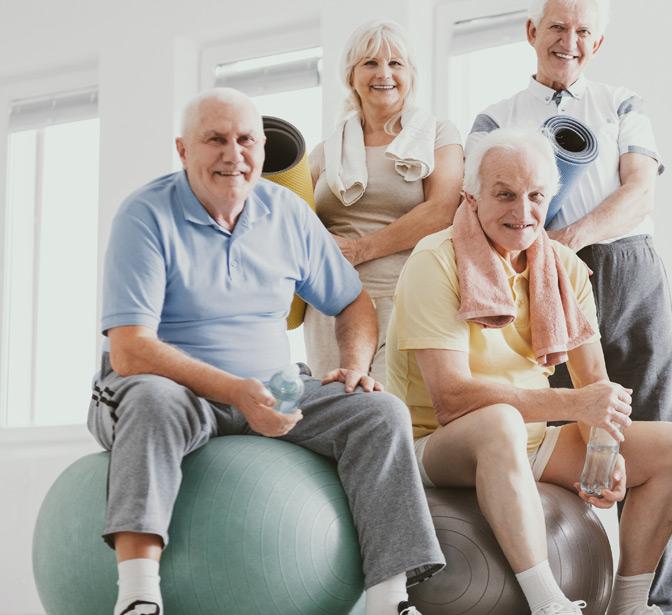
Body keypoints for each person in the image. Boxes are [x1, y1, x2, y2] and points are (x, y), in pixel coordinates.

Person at [88, 88, 442, 615]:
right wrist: (234, 391)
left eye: (246, 140)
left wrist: (352, 366)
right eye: (216, 140)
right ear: (184, 150)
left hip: (273, 387)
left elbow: (353, 304)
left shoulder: (287, 215)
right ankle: (138, 595)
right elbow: (132, 351)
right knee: (152, 400)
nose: (235, 155)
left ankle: (389, 599)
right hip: (170, 389)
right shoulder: (145, 214)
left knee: (380, 412)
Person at [386, 128, 672, 615]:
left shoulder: (564, 268)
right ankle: (549, 603)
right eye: (504, 194)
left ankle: (630, 606)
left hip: (527, 443)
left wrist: (604, 450)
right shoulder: (434, 261)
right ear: (471, 196)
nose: (522, 212)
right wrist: (573, 406)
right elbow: (450, 398)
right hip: (435, 445)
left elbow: (594, 383)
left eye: (535, 196)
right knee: (499, 421)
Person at [465, 1, 672, 610]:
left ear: (599, 42)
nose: (569, 40)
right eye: (557, 27)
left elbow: (639, 189)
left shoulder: (622, 103)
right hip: (538, 283)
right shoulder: (495, 117)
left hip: (628, 269)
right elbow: (475, 205)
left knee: (654, 433)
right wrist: (545, 262)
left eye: (583, 31)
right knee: (563, 436)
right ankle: (570, 590)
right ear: (531, 32)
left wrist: (568, 240)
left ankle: (657, 602)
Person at [304, 19, 464, 382]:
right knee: (335, 410)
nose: (384, 74)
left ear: (411, 74)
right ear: (351, 75)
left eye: (396, 64)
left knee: (391, 414)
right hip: (332, 304)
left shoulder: (439, 134)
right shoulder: (324, 151)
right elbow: (297, 219)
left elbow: (442, 211)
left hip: (405, 296)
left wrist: (360, 249)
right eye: (370, 63)